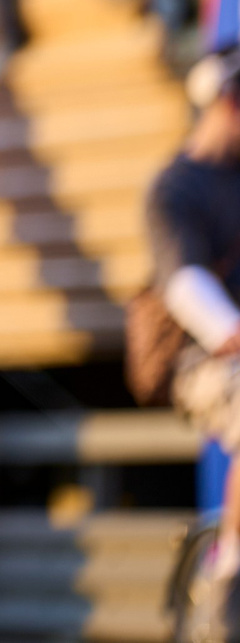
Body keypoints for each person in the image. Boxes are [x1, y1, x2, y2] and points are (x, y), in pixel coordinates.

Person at [149, 47, 240, 620]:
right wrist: (230, 329)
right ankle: (231, 580)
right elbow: (184, 286)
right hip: (203, 366)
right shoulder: (176, 188)